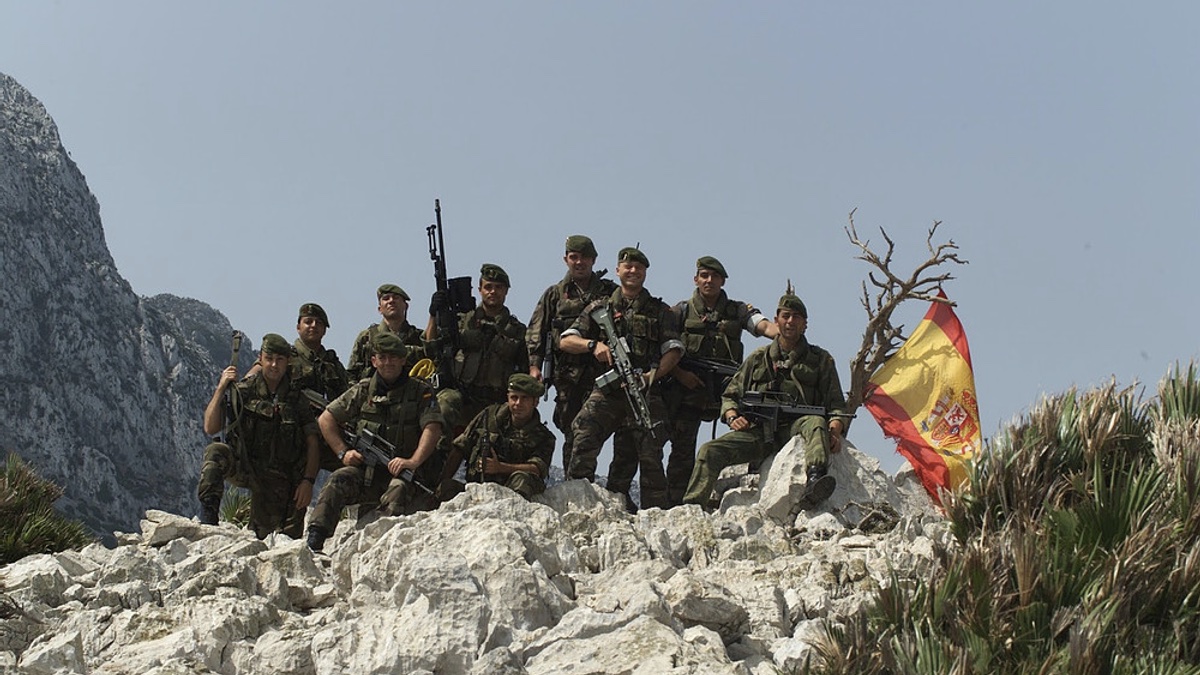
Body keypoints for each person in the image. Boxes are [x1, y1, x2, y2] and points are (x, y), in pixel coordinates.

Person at [681, 289, 850, 510]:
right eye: (785, 316)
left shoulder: (820, 360)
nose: (790, 322)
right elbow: (730, 395)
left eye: (796, 317)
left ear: (805, 324)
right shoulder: (758, 359)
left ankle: (815, 481)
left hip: (796, 428)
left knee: (816, 421)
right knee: (709, 450)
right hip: (759, 434)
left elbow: (836, 405)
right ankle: (693, 506)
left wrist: (834, 431)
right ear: (776, 321)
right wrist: (732, 417)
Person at [560, 247, 684, 510]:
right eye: (628, 267)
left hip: (643, 391)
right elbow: (567, 340)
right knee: (583, 431)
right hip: (609, 390)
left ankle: (654, 513)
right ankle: (578, 500)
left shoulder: (659, 311)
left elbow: (673, 351)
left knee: (650, 452)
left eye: (638, 267)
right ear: (618, 271)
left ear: (645, 273)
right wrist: (593, 345)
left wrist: (650, 376)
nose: (633, 271)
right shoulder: (600, 307)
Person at [305, 333, 444, 552]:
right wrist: (343, 453)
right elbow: (326, 419)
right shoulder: (363, 390)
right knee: (337, 480)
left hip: (402, 475)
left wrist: (412, 461)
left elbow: (433, 428)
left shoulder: (420, 392)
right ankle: (315, 539)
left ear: (403, 360)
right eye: (383, 357)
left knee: (397, 490)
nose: (388, 362)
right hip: (367, 474)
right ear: (374, 361)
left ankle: (377, 549)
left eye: (394, 357)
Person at [662, 256, 778, 505]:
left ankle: (759, 483)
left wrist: (783, 333)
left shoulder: (737, 310)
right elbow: (664, 349)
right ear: (696, 279)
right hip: (689, 389)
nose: (709, 281)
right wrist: (681, 375)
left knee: (756, 424)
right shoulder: (680, 311)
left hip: (729, 388)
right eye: (704, 275)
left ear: (723, 281)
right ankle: (678, 504)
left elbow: (762, 326)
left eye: (715, 276)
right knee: (682, 450)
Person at [197, 333, 320, 539]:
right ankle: (208, 519)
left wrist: (308, 481)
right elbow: (210, 427)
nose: (274, 365)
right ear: (260, 359)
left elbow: (312, 443)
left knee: (265, 539)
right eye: (269, 358)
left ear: (287, 362)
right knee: (215, 451)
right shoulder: (244, 390)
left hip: (277, 477)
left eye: (280, 359)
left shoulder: (297, 399)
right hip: (244, 465)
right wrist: (221, 388)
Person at [526, 235, 619, 473]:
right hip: (567, 376)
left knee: (591, 430)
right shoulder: (555, 294)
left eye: (584, 257)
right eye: (574, 257)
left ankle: (584, 480)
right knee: (571, 431)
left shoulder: (610, 292)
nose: (579, 262)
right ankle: (573, 483)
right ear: (565, 259)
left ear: (594, 260)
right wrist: (535, 366)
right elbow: (536, 331)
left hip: (602, 373)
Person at [426, 263, 529, 434]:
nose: (493, 291)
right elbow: (431, 348)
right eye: (488, 287)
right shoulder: (461, 321)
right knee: (442, 406)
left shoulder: (517, 331)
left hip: (495, 402)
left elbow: (525, 372)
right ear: (480, 290)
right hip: (459, 395)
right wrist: (433, 314)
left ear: (506, 291)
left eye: (498, 287)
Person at [438, 374, 556, 501]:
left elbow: (536, 469)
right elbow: (460, 447)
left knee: (522, 479)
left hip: (511, 493)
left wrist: (500, 467)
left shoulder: (544, 437)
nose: (518, 403)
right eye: (514, 397)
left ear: (535, 402)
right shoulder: (488, 416)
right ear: (508, 397)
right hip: (476, 490)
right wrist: (442, 482)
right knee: (446, 488)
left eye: (525, 398)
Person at [346, 284, 426, 382]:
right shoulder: (366, 337)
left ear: (406, 306)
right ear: (380, 309)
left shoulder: (418, 337)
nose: (391, 301)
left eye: (396, 297)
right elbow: (351, 374)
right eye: (386, 298)